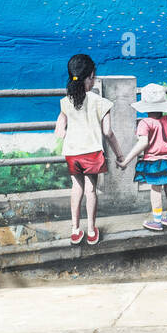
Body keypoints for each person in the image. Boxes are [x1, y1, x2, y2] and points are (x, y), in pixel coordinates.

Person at [54, 53, 123, 246]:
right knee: (90, 190)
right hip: (91, 152)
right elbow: (108, 132)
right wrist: (119, 154)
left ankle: (75, 230)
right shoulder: (99, 102)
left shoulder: (66, 101)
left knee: (76, 188)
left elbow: (59, 130)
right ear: (91, 75)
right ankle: (92, 230)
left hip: (72, 152)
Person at [117, 83, 167, 231]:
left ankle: (157, 221)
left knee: (156, 190)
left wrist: (126, 161)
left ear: (145, 106)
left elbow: (143, 143)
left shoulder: (145, 123)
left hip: (154, 162)